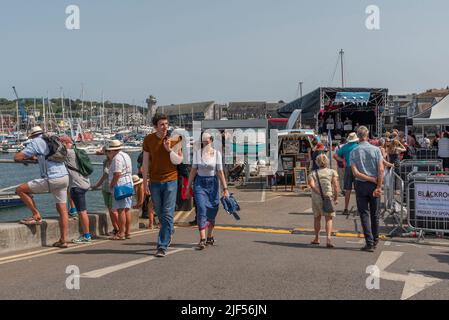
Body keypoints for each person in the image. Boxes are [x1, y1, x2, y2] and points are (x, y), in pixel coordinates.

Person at [14, 126, 70, 248]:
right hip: (64, 176)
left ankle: (36, 215)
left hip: (52, 178)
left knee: (20, 190)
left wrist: (27, 157)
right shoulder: (51, 139)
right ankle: (63, 240)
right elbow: (46, 155)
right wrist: (36, 158)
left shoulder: (36, 142)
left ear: (32, 135)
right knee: (63, 210)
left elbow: (17, 157)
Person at [142, 114, 183, 258]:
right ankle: (169, 228)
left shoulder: (175, 139)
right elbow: (145, 162)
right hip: (154, 181)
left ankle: (162, 245)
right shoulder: (148, 140)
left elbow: (179, 160)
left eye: (166, 124)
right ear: (155, 126)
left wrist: (169, 150)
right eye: (162, 124)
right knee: (159, 211)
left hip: (171, 179)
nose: (165, 127)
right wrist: (144, 182)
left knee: (167, 212)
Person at [187, 133, 230, 250]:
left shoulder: (217, 154)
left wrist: (225, 189)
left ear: (211, 141)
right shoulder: (197, 154)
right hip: (200, 183)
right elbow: (193, 171)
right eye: (203, 142)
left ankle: (210, 236)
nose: (205, 143)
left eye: (207, 141)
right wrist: (188, 187)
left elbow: (220, 172)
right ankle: (202, 239)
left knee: (213, 209)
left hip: (213, 183)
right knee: (201, 208)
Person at [350, 126, 385, 252]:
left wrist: (369, 179)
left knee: (364, 214)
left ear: (358, 136)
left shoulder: (354, 151)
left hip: (361, 185)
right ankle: (375, 240)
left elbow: (355, 173)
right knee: (375, 214)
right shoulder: (376, 150)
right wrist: (378, 185)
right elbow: (381, 169)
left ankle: (369, 242)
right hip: (375, 184)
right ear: (368, 135)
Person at [59, 136, 92, 244]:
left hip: (77, 186)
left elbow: (53, 155)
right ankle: (73, 211)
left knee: (82, 212)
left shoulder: (68, 153)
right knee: (82, 211)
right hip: (85, 183)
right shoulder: (77, 152)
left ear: (65, 143)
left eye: (61, 143)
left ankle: (86, 236)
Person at [308, 154, 339, 248]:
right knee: (328, 218)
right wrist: (336, 198)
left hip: (316, 198)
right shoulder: (332, 172)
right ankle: (328, 239)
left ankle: (317, 238)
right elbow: (336, 186)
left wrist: (319, 193)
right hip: (328, 197)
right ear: (327, 162)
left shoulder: (312, 173)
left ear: (317, 163)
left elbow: (312, 186)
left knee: (317, 217)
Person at [107, 140, 134, 240]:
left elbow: (117, 173)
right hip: (128, 183)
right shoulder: (126, 155)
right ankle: (128, 232)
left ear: (112, 150)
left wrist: (111, 184)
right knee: (127, 209)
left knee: (120, 209)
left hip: (120, 184)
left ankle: (121, 233)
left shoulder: (116, 158)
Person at [92, 147, 120, 236]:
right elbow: (104, 175)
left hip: (114, 187)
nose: (107, 153)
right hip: (105, 187)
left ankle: (121, 229)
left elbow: (118, 175)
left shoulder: (117, 161)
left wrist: (113, 185)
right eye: (106, 152)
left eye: (108, 151)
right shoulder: (105, 162)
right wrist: (97, 185)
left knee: (114, 210)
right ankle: (115, 228)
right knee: (109, 209)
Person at [334, 132, 359, 215]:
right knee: (358, 190)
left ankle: (346, 208)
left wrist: (342, 160)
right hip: (357, 168)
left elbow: (335, 156)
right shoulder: (358, 146)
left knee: (347, 190)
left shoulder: (344, 147)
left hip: (348, 168)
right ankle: (359, 208)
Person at [137, 151, 156, 229]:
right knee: (154, 204)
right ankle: (155, 222)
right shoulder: (154, 156)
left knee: (150, 204)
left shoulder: (143, 156)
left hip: (148, 180)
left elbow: (141, 169)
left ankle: (151, 224)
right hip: (154, 180)